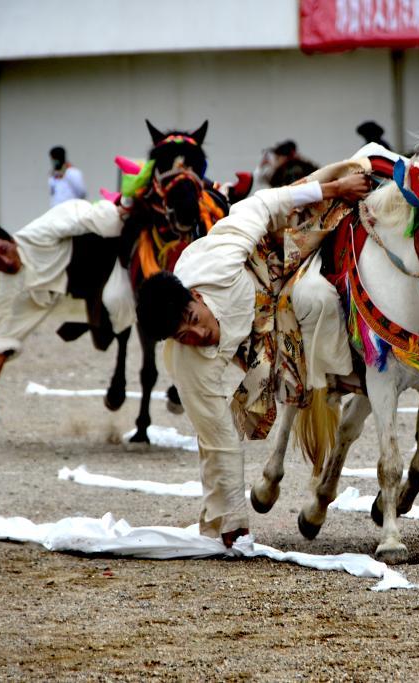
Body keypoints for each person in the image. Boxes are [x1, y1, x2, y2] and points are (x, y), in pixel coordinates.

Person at [135, 175, 369, 546]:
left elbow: (263, 203)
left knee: (316, 297)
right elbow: (217, 438)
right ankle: (217, 517)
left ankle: (346, 373)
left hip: (269, 263)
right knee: (218, 430)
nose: (197, 334)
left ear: (197, 296)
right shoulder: (187, 359)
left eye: (193, 320)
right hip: (253, 338)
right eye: (183, 336)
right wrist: (232, 520)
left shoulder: (220, 258)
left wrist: (334, 189)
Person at [0, 199, 135, 425]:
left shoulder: (39, 234)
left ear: (12, 240)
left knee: (117, 300)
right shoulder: (10, 291)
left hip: (114, 254)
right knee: (102, 339)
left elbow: (80, 213)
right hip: (92, 284)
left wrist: (120, 214)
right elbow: (2, 338)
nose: (5, 262)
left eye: (4, 251)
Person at [254, 140, 319, 189]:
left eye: (278, 157)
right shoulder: (277, 170)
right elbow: (260, 179)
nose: (276, 159)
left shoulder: (297, 166)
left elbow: (316, 172)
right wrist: (262, 165)